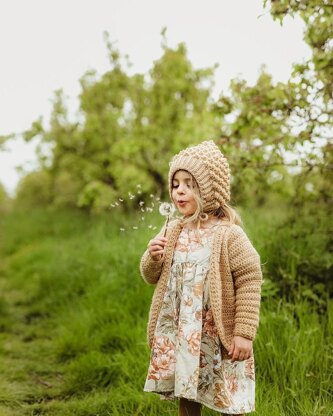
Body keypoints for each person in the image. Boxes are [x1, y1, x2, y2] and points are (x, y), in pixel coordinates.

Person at [139, 140, 263, 415]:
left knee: (229, 396)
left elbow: (250, 279)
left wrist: (244, 332)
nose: (179, 191)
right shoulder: (173, 231)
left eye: (189, 184)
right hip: (184, 334)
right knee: (188, 392)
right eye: (175, 184)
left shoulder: (228, 234)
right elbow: (151, 277)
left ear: (208, 190)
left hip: (217, 333)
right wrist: (153, 257)